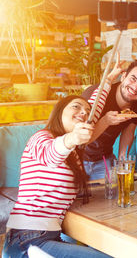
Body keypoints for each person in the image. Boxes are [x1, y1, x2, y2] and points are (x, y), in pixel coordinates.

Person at [2, 96, 111, 258]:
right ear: (59, 112)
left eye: (87, 111)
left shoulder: (73, 152)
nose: (83, 113)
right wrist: (72, 138)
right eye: (76, 107)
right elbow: (50, 155)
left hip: (48, 236)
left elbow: (91, 114)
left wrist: (108, 81)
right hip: (26, 240)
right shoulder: (42, 138)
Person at [81, 57, 137, 180]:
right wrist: (106, 121)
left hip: (104, 159)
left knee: (114, 195)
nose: (135, 88)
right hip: (78, 159)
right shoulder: (96, 94)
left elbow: (129, 131)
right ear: (123, 76)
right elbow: (81, 140)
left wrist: (123, 161)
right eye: (133, 79)